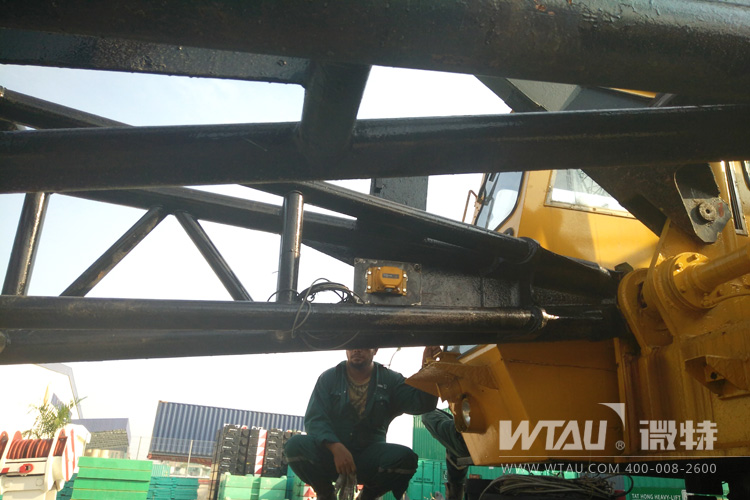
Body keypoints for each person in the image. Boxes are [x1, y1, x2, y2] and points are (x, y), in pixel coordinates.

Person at [284, 347, 441, 500]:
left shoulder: (389, 380)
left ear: (375, 350)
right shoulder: (329, 378)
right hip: (332, 458)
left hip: (368, 459)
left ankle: (367, 496)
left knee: (406, 458)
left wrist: (429, 367)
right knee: (295, 445)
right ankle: (325, 494)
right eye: (352, 345)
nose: (357, 349)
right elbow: (315, 419)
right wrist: (335, 447)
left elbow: (422, 403)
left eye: (364, 345)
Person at [420, 408, 471, 500]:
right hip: (496, 441)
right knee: (453, 454)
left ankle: (455, 492)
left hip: (471, 438)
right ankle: (454, 491)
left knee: (427, 413)